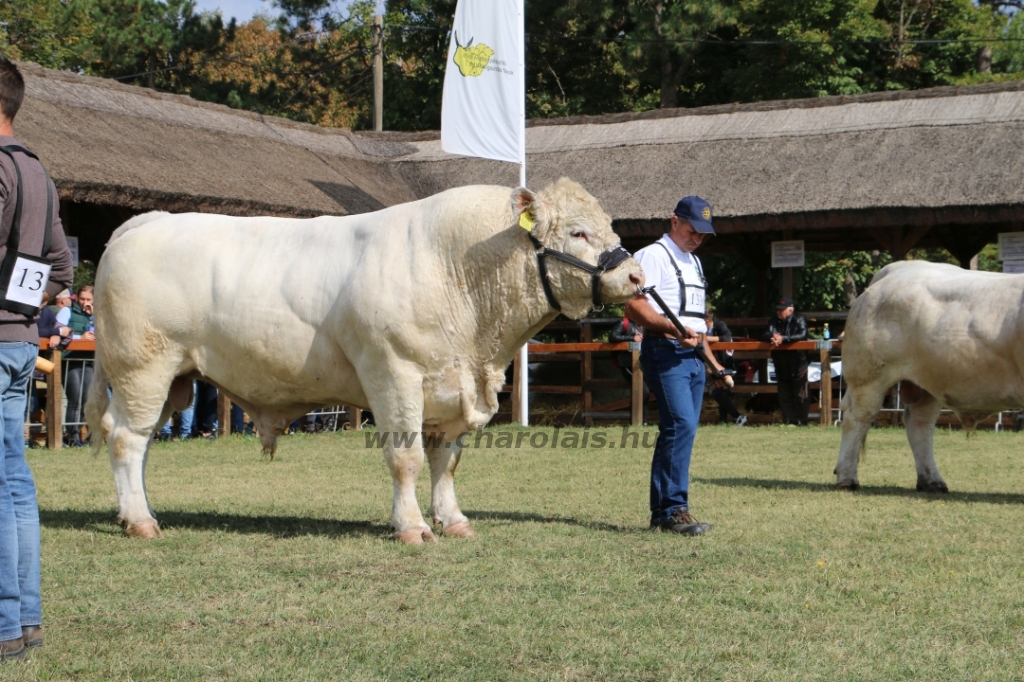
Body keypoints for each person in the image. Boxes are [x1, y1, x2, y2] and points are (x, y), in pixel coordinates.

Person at [0, 57, 74, 661]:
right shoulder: (39, 174)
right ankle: (26, 620)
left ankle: (4, 627)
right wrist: (19, 307)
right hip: (21, 344)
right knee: (16, 483)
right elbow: (60, 267)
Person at [625, 196, 725, 536]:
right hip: (664, 351)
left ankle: (671, 510)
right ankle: (670, 511)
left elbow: (696, 320)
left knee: (686, 429)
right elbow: (633, 307)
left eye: (702, 233)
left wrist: (713, 364)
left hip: (692, 357)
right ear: (674, 221)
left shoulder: (694, 262)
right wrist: (672, 328)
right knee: (679, 425)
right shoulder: (653, 255)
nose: (697, 238)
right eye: (691, 229)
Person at [764, 296, 810, 425]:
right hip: (781, 364)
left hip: (798, 364)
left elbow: (803, 335)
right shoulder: (773, 321)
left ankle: (802, 421)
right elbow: (765, 334)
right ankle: (789, 422)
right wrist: (772, 337)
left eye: (781, 309)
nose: (778, 312)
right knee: (785, 396)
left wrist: (783, 339)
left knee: (802, 396)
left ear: (790, 310)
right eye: (777, 309)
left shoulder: (800, 319)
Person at [63, 284, 95, 446]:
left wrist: (94, 317)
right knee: (75, 400)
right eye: (82, 299)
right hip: (70, 360)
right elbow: (58, 332)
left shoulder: (95, 315)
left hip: (88, 362)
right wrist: (78, 338)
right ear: (76, 298)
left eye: (88, 299)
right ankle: (72, 437)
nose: (84, 302)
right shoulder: (67, 311)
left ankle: (80, 435)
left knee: (86, 400)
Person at [704, 311, 746, 427]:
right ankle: (725, 420)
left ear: (706, 320)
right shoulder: (702, 330)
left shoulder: (719, 325)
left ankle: (737, 417)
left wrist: (706, 339)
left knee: (717, 392)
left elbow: (727, 337)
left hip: (725, 365)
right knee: (720, 393)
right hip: (711, 365)